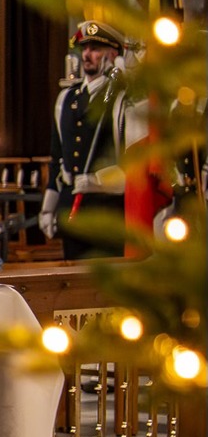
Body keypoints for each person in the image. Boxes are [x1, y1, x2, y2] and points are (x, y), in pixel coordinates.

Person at [41, 20, 136, 260]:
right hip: (72, 206)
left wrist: (97, 181)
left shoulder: (121, 100)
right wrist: (48, 206)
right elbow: (58, 158)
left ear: (112, 54)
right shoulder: (66, 99)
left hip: (106, 210)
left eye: (95, 49)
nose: (87, 55)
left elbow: (132, 162)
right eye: (84, 49)